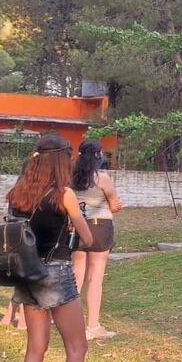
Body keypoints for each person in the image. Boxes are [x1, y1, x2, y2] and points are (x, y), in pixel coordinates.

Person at [6, 134, 113, 362]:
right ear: (60, 160)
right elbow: (88, 239)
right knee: (77, 347)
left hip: (26, 274)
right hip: (56, 272)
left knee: (35, 349)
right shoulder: (63, 194)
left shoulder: (17, 193)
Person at [71, 139, 123, 340]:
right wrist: (118, 205)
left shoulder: (72, 177)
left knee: (76, 276)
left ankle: (71, 323)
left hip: (77, 227)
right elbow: (114, 205)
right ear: (98, 154)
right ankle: (93, 326)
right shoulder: (102, 178)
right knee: (95, 279)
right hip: (100, 227)